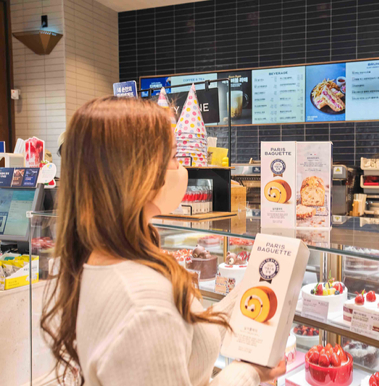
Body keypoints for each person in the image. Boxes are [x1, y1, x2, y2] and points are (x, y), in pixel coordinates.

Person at [40, 96, 285, 386]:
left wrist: (251, 286)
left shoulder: (100, 258)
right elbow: (160, 321)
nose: (182, 168)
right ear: (137, 173)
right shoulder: (145, 305)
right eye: (173, 157)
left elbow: (193, 337)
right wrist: (248, 372)